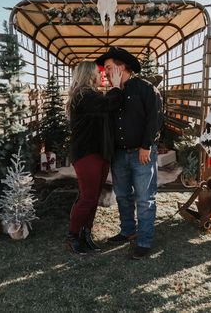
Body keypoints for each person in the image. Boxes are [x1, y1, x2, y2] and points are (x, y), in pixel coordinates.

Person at [96, 47, 163, 259]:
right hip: (119, 155)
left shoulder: (145, 88)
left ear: (121, 66)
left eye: (108, 67)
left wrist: (146, 146)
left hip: (141, 153)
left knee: (144, 199)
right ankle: (127, 231)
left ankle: (144, 241)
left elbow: (155, 119)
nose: (105, 72)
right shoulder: (113, 93)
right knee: (123, 196)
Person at [66, 60, 123, 254]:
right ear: (89, 75)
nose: (102, 76)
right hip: (86, 153)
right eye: (98, 74)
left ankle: (86, 233)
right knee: (88, 197)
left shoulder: (91, 96)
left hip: (98, 153)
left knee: (93, 196)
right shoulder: (83, 96)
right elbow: (109, 104)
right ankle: (73, 236)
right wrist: (116, 86)